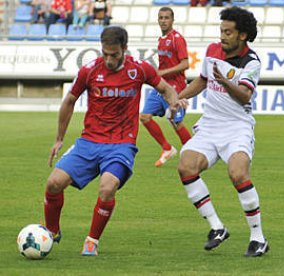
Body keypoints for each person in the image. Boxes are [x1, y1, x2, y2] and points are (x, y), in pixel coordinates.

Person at [44, 26, 181, 256]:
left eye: (114, 55)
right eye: (105, 53)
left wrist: (174, 102)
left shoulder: (139, 69)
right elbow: (69, 101)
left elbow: (166, 89)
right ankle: (51, 231)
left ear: (125, 49)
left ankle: (92, 242)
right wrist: (59, 139)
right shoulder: (89, 71)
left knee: (107, 187)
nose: (108, 59)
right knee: (53, 184)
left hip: (121, 145)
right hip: (89, 142)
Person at [176, 6, 269, 257]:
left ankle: (258, 237)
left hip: (237, 126)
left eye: (228, 32)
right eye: (221, 31)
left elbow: (244, 96)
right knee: (186, 166)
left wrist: (226, 81)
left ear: (242, 35)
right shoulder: (212, 51)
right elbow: (203, 80)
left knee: (238, 174)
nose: (222, 36)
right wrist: (178, 98)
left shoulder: (251, 62)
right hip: (210, 124)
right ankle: (217, 227)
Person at [140, 7, 192, 167]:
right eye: (161, 18)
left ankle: (192, 151)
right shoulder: (161, 40)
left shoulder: (178, 39)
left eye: (166, 18)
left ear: (172, 20)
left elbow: (185, 64)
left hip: (176, 87)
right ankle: (167, 148)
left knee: (175, 121)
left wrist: (162, 72)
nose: (163, 20)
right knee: (144, 117)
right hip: (161, 86)